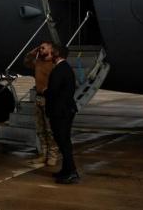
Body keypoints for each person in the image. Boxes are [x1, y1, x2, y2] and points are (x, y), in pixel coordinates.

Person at [45, 44, 80, 184]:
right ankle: (66, 170)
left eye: (52, 52)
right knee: (64, 141)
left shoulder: (59, 70)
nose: (50, 54)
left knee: (63, 141)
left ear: (57, 54)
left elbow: (53, 91)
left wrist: (44, 92)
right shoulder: (65, 68)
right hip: (65, 110)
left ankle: (72, 172)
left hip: (61, 111)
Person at [23, 41, 59, 167]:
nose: (41, 49)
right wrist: (32, 52)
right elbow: (26, 62)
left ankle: (52, 155)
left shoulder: (54, 64)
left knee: (50, 129)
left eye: (43, 47)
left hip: (49, 99)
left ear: (50, 49)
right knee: (40, 129)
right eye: (40, 47)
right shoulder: (38, 62)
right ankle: (43, 154)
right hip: (38, 98)